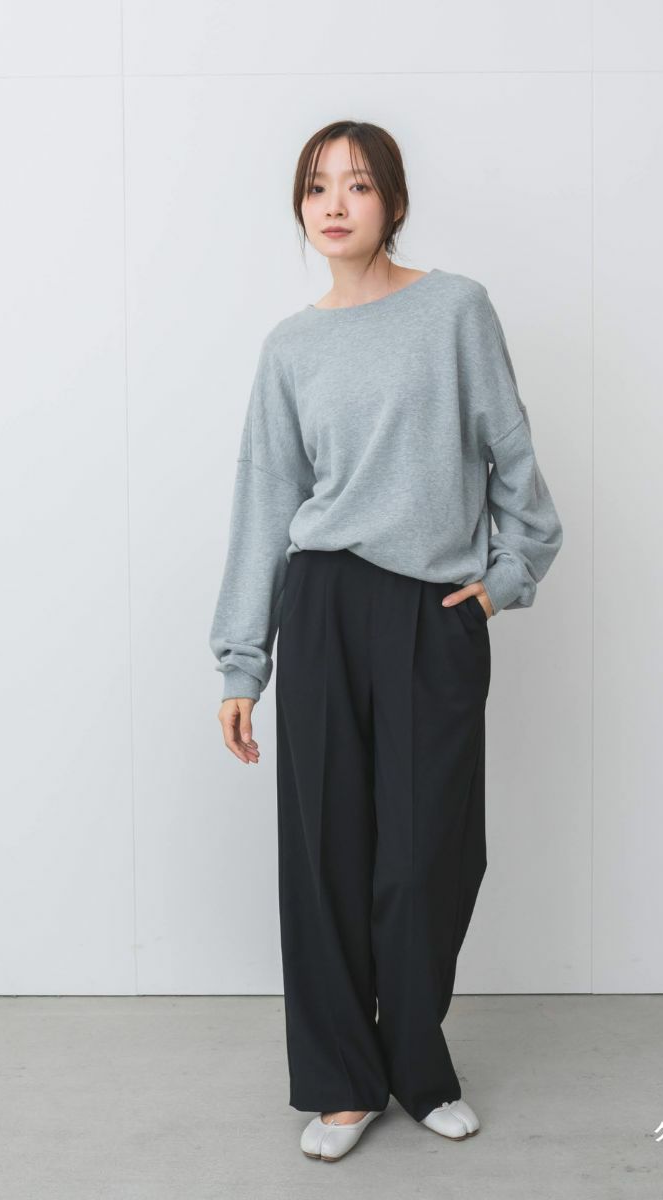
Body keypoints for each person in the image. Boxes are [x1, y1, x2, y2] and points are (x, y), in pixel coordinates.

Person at [209, 119, 564, 1162]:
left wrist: (506, 579)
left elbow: (512, 459)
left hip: (431, 610)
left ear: (393, 204)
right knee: (326, 854)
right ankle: (342, 1085)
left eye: (358, 185)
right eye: (317, 186)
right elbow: (266, 503)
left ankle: (416, 1061)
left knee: (428, 855)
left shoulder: (454, 309)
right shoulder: (290, 347)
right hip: (321, 603)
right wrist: (242, 661)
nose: (334, 204)